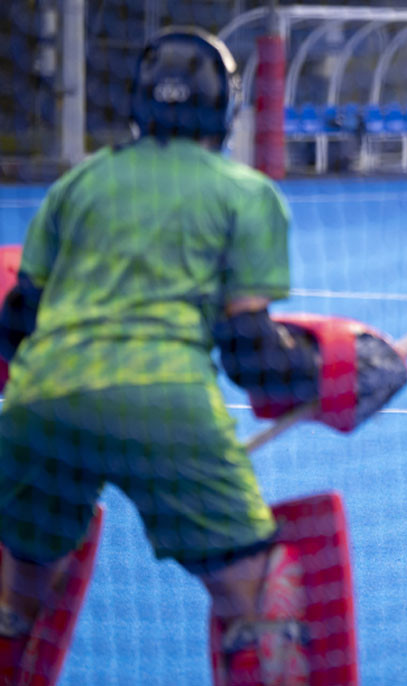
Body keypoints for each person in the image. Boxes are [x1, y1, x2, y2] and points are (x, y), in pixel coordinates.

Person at [0, 27, 321, 683]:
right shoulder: (245, 193)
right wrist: (326, 371)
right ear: (225, 105)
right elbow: (248, 352)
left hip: (39, 403)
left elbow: (18, 321)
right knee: (260, 598)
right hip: (165, 401)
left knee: (15, 602)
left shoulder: (77, 184)